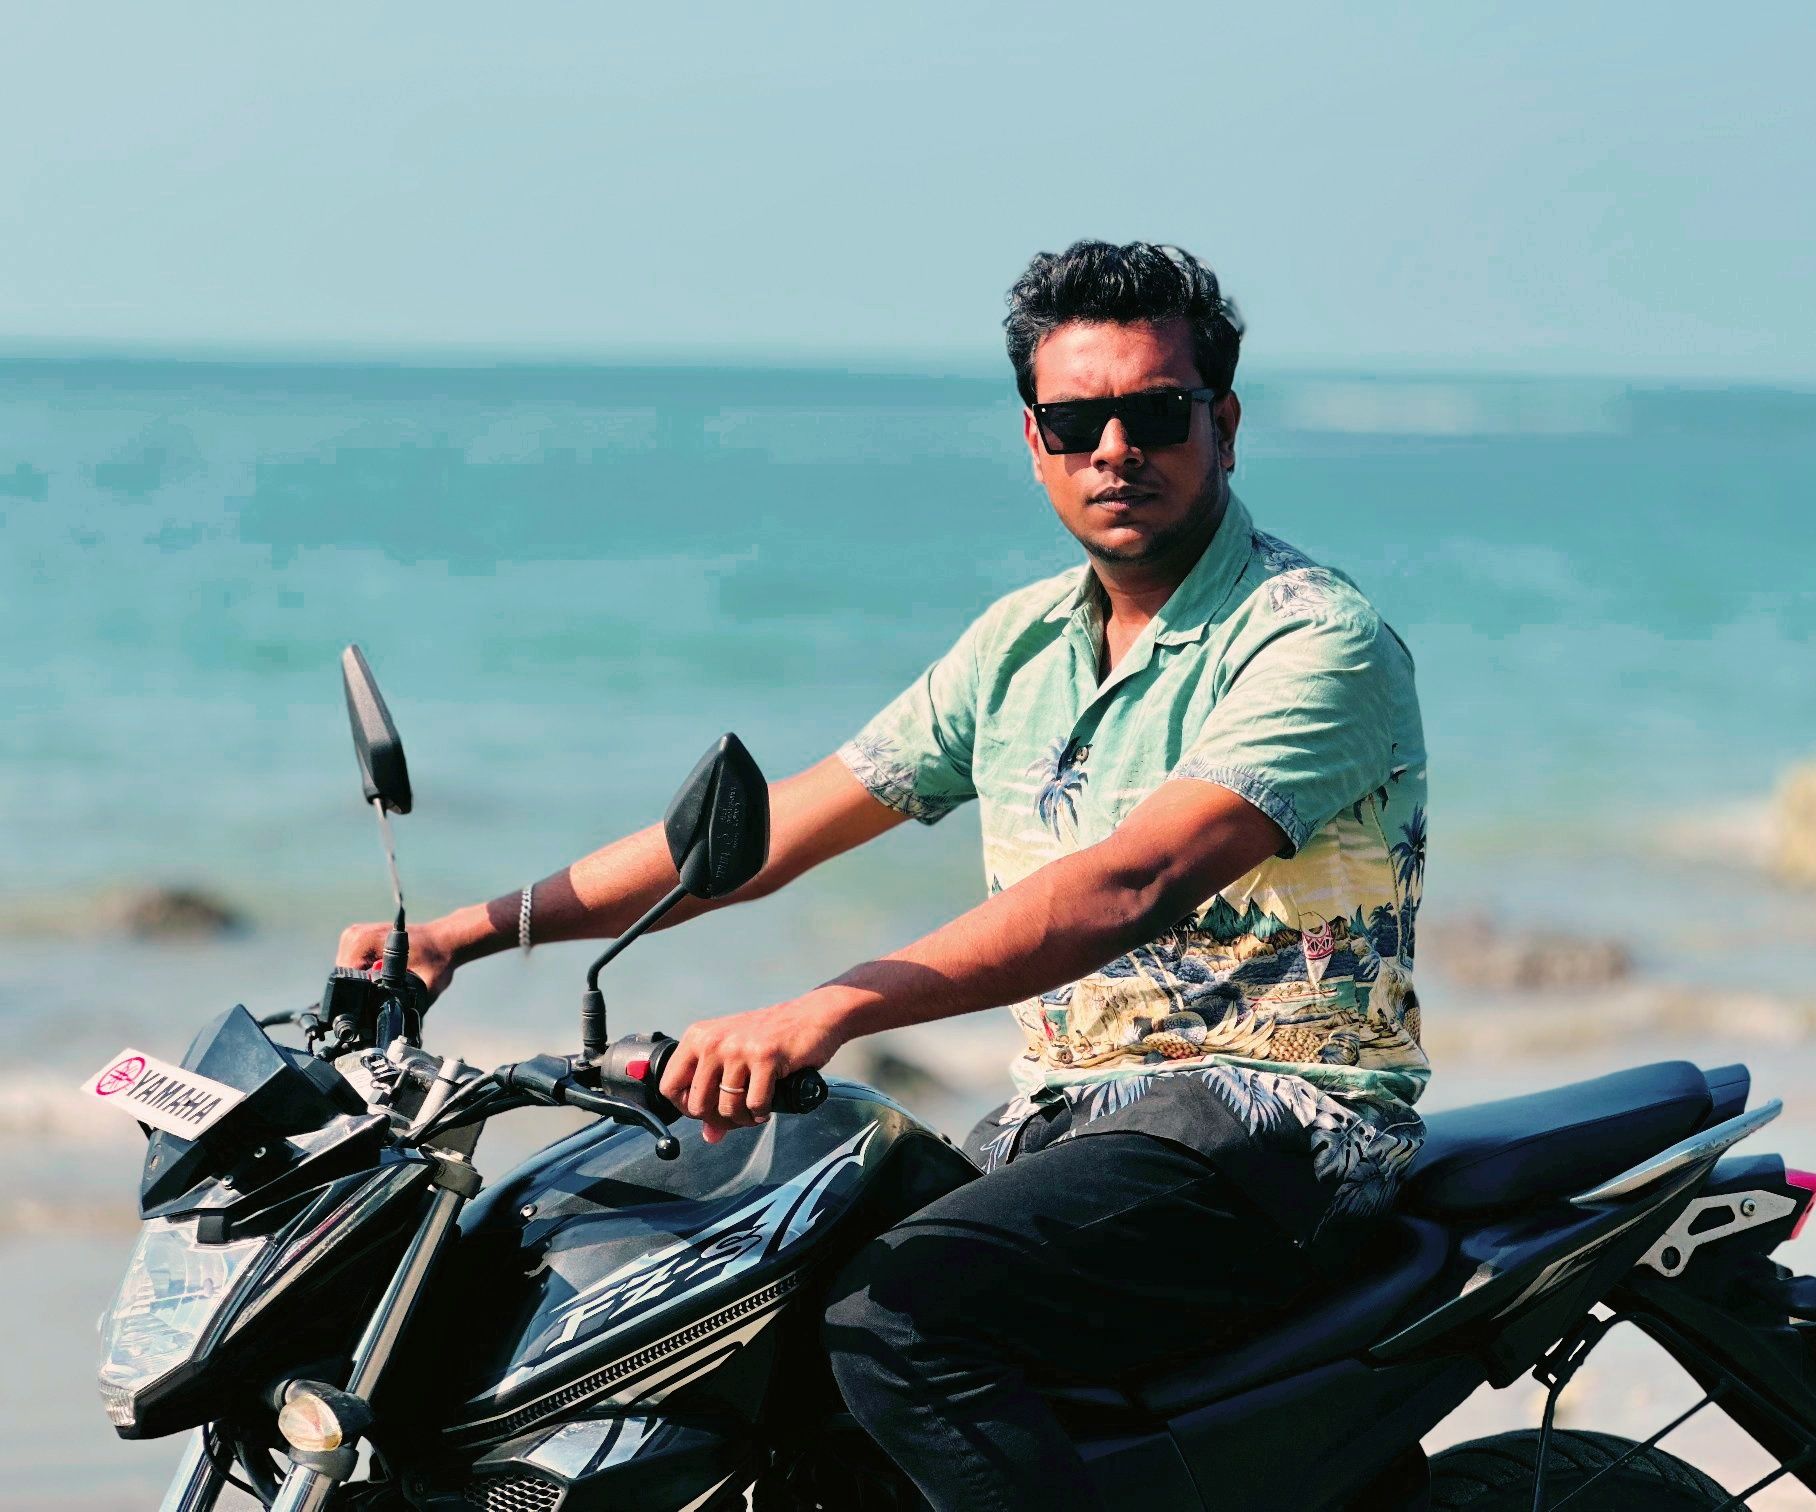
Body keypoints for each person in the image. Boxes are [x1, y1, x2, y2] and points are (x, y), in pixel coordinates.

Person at [337, 240, 1430, 1511]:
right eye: (1076, 422)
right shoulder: (1020, 646)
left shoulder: (1312, 639)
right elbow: (767, 832)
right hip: (1066, 1120)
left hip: (1278, 1130)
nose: (1114, 450)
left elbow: (1132, 884)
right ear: (1034, 442)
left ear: (1223, 426)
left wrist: (831, 1006)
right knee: (748, 1302)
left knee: (896, 1319)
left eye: (1155, 414)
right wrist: (465, 935)